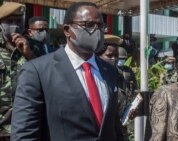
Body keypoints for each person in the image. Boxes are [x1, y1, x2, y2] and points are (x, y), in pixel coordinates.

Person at [11, 2, 123, 141]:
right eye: (87, 25)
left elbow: (114, 126)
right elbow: (24, 134)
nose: (96, 31)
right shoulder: (37, 71)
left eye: (100, 26)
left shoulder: (110, 71)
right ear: (67, 30)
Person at [0, 2, 36, 140]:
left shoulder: (35, 47)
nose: (15, 25)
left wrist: (29, 55)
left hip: (26, 125)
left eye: (18, 21)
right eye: (9, 21)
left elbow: (48, 77)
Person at [97, 34, 137, 141]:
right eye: (109, 56)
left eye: (116, 56)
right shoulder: (94, 77)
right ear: (97, 56)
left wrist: (130, 111)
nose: (114, 59)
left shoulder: (117, 75)